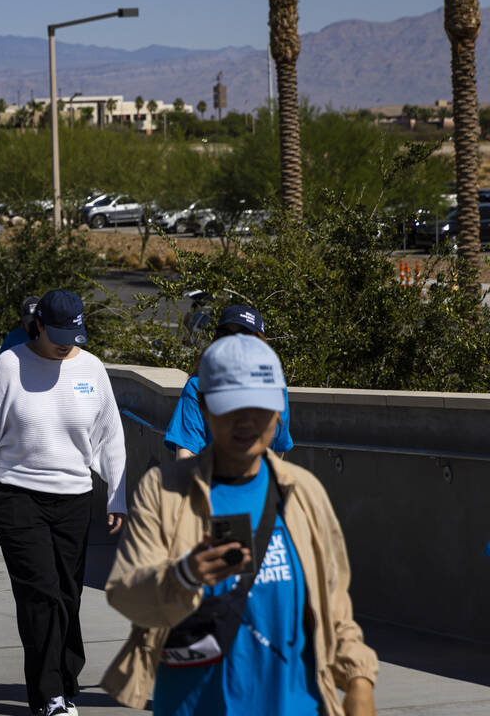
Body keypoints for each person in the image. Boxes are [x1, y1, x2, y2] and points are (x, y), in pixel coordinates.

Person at [102, 335, 377, 716]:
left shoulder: (303, 492)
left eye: (260, 407)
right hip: (194, 706)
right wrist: (184, 575)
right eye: (232, 407)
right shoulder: (165, 490)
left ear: (280, 409)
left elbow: (336, 609)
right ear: (204, 408)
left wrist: (359, 683)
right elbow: (126, 594)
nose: (247, 421)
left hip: (297, 706)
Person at [0, 289, 128, 716]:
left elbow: (109, 437)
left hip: (74, 498)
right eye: (56, 333)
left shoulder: (92, 369)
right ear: (37, 325)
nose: (65, 342)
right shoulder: (9, 365)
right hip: (16, 495)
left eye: (72, 334)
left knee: (67, 596)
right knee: (40, 594)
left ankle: (66, 678)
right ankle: (48, 696)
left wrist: (117, 496)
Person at [165, 304, 293, 461]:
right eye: (225, 333)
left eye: (244, 334)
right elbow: (186, 452)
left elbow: (278, 449)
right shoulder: (198, 385)